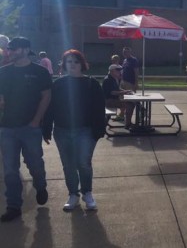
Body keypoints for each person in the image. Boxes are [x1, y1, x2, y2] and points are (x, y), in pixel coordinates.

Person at [42, 49, 106, 211]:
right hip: (62, 130)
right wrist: (47, 128)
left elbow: (100, 109)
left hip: (85, 130)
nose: (72, 65)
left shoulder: (92, 84)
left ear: (82, 64)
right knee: (68, 165)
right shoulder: (58, 84)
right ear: (64, 65)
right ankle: (73, 195)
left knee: (84, 163)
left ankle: (87, 193)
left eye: (76, 62)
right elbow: (50, 108)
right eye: (69, 62)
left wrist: (98, 131)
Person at [0, 37, 52, 222]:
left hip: (30, 128)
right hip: (7, 128)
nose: (10, 52)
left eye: (14, 49)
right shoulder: (3, 72)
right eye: (9, 49)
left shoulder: (39, 71)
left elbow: (46, 96)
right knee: (10, 170)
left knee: (35, 163)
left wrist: (36, 121)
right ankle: (13, 206)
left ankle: (40, 184)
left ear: (26, 49)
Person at [102, 64, 135, 128]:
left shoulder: (114, 78)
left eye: (119, 70)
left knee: (131, 103)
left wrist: (126, 91)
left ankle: (128, 123)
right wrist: (123, 92)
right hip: (108, 101)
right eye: (117, 70)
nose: (119, 72)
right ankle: (128, 124)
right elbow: (112, 92)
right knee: (130, 105)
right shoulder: (108, 80)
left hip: (113, 100)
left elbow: (117, 89)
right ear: (111, 71)